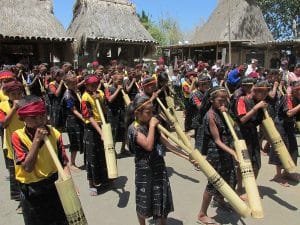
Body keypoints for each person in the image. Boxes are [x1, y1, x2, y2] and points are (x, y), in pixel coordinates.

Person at [128, 95, 188, 225]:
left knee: (161, 196)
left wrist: (188, 157)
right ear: (138, 113)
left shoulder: (151, 125)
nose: (151, 115)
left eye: (152, 112)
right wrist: (152, 126)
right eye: (148, 112)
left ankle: (162, 223)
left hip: (159, 166)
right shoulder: (134, 129)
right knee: (144, 200)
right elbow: (148, 146)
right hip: (144, 170)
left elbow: (168, 145)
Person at [11, 95, 69, 225]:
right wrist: (37, 141)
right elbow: (27, 167)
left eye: (42, 115)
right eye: (33, 117)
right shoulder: (18, 136)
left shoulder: (55, 134)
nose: (39, 120)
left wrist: (68, 183)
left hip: (53, 185)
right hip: (31, 190)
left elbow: (63, 162)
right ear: (22, 118)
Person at [197, 86, 237, 225]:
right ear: (211, 100)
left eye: (225, 100)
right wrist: (233, 152)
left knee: (227, 178)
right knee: (213, 183)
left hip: (226, 151)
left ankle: (220, 201)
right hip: (216, 153)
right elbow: (217, 140)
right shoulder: (210, 116)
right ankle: (202, 214)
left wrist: (227, 114)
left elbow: (234, 127)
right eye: (220, 100)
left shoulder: (223, 111)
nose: (224, 102)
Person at [235, 81, 270, 180]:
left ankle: (252, 188)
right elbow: (242, 119)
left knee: (256, 163)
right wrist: (256, 108)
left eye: (266, 92)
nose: (265, 95)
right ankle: (240, 187)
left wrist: (270, 141)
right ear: (255, 91)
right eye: (263, 92)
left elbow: (262, 123)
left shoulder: (261, 103)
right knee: (244, 163)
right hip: (242, 134)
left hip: (253, 134)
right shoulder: (242, 100)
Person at [81, 75, 109, 196]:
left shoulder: (101, 93)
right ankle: (91, 184)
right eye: (91, 85)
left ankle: (104, 179)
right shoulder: (85, 97)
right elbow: (89, 117)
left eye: (95, 84)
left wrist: (100, 100)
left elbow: (105, 111)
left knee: (104, 154)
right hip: (92, 129)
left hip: (103, 125)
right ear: (86, 85)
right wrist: (100, 132)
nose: (93, 87)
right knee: (92, 156)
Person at [0, 80, 25, 213]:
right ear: (7, 94)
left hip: (26, 141)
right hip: (11, 143)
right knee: (16, 173)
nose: (16, 97)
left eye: (18, 94)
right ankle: (20, 201)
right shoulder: (3, 106)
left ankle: (28, 198)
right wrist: (14, 108)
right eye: (13, 94)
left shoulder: (25, 103)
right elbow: (3, 124)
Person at [269, 81, 300, 185]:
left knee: (293, 148)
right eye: (298, 90)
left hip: (289, 125)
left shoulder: (297, 98)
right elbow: (289, 112)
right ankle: (278, 175)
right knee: (282, 149)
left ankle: (287, 172)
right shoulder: (288, 97)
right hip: (280, 125)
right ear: (294, 90)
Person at [61, 72, 84, 170]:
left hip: (78, 120)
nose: (75, 85)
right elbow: (73, 110)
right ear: (67, 84)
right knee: (74, 142)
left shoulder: (75, 91)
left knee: (81, 140)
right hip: (72, 121)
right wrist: (84, 118)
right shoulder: (68, 95)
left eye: (76, 82)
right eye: (73, 83)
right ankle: (72, 163)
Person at [105, 73, 128, 155]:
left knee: (124, 130)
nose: (120, 82)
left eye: (122, 81)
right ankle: (113, 149)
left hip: (122, 112)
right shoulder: (108, 89)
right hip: (112, 113)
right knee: (113, 132)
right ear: (114, 80)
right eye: (119, 81)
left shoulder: (123, 88)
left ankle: (123, 148)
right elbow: (110, 100)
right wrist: (118, 90)